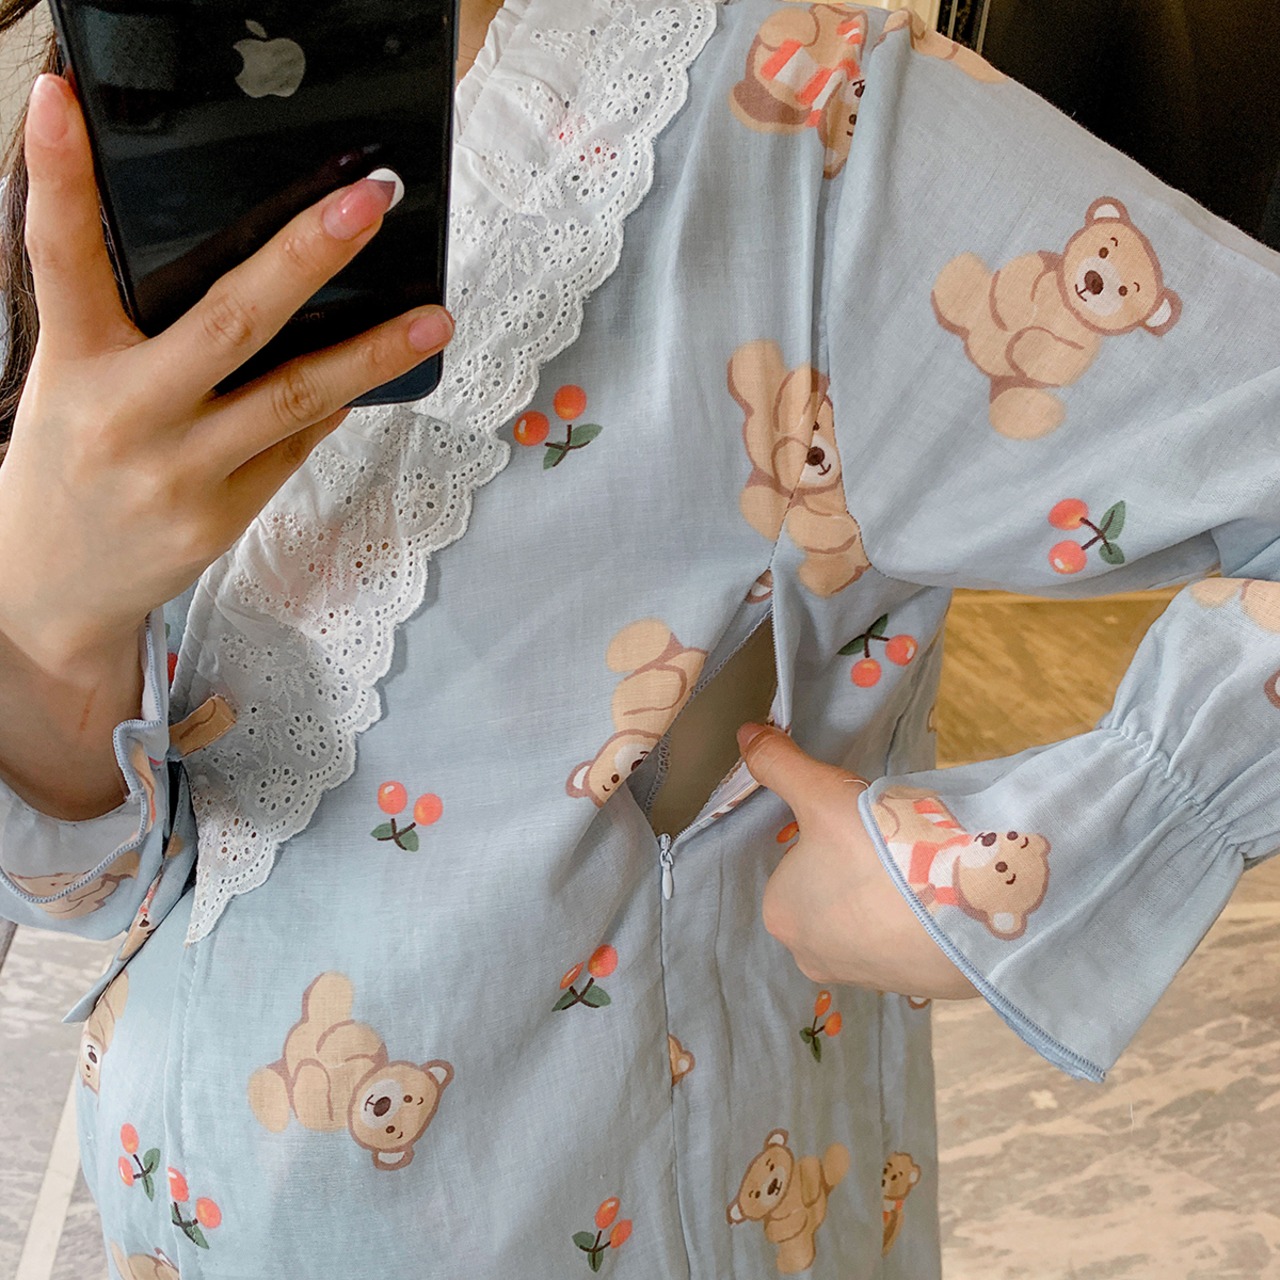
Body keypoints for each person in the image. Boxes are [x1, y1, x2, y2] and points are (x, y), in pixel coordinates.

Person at [0, 0, 1277, 1275]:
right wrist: (47, 621)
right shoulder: (99, 120)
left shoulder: (805, 124)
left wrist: (1054, 849)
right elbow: (108, 868)